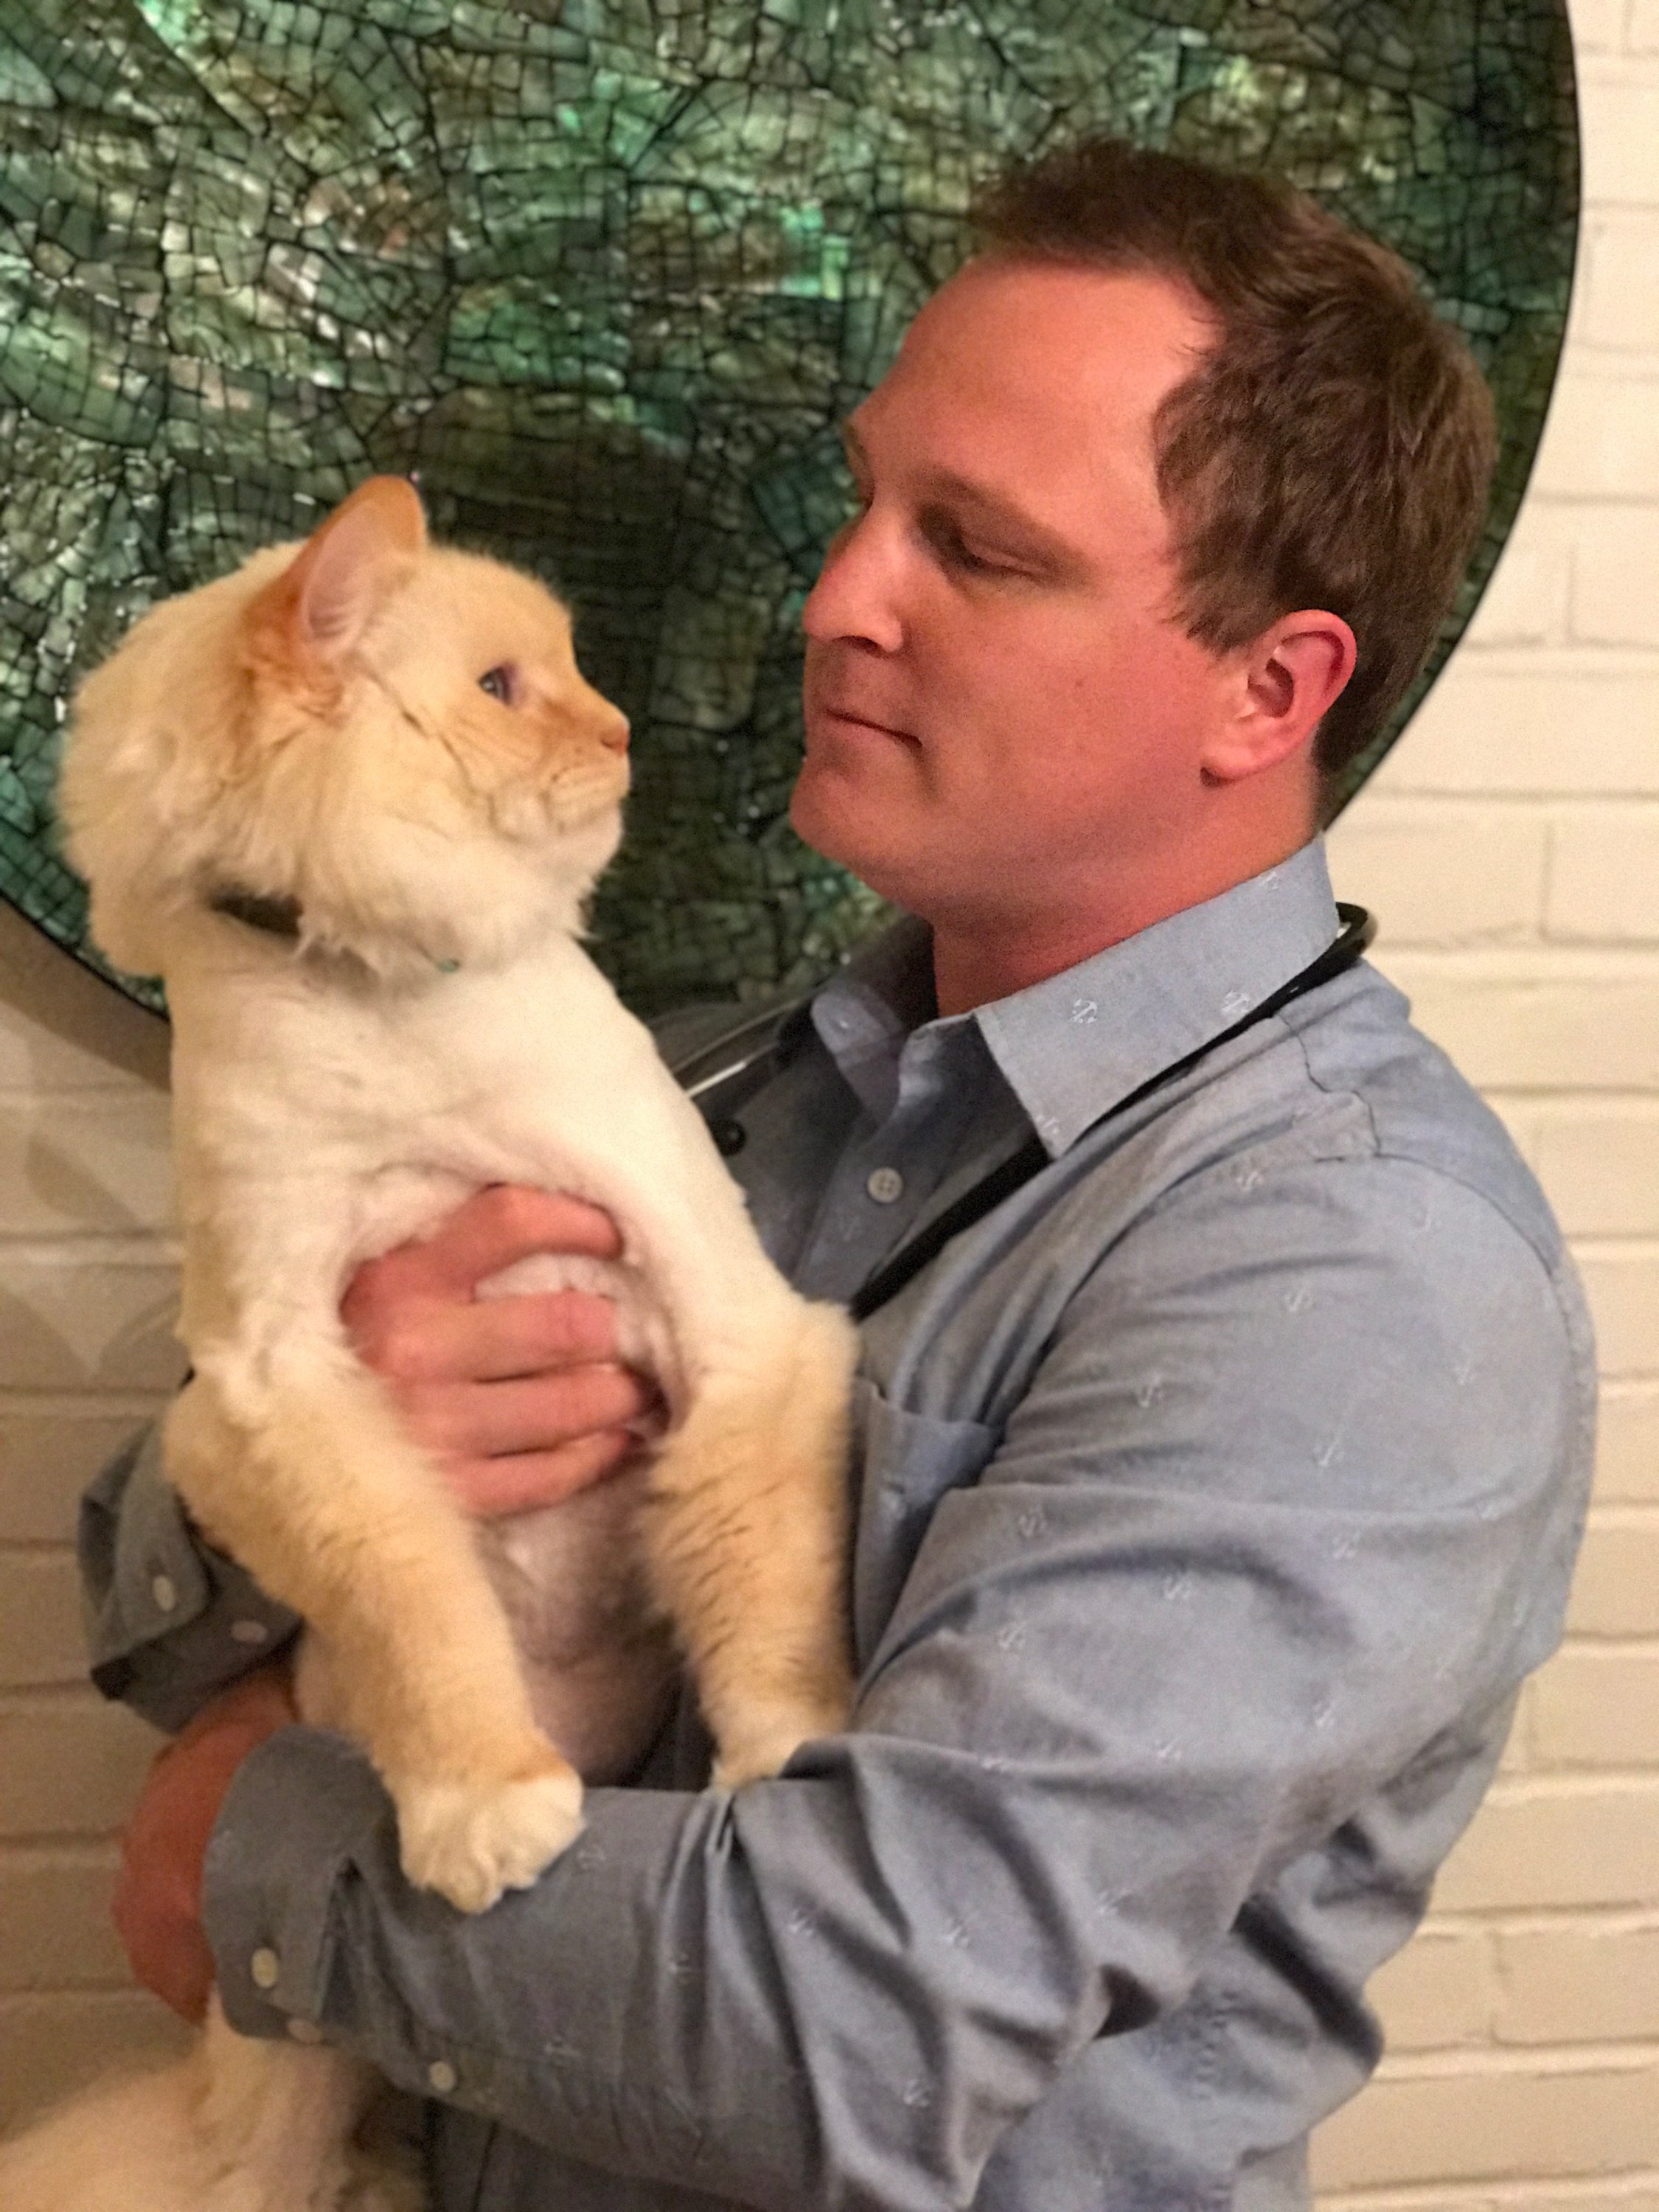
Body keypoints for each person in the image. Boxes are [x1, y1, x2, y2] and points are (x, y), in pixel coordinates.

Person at [81, 139, 1593, 2211]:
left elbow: (854, 2020)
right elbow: (141, 1568)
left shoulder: (1349, 1281)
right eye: (867, 498)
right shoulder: (709, 1070)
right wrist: (317, 1438)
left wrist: (242, 1852)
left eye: (974, 550)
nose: (835, 597)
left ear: (1269, 688)